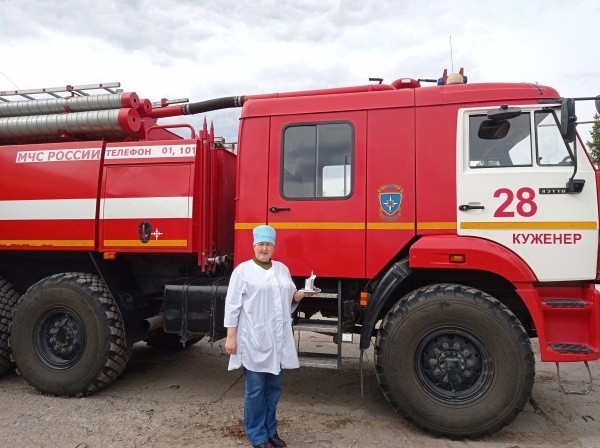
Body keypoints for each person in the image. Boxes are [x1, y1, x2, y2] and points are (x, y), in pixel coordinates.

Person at [224, 225, 314, 448]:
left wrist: (302, 294)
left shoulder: (282, 269)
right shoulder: (243, 271)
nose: (264, 248)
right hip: (253, 339)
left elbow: (289, 297)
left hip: (277, 339)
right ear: (254, 246)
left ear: (274, 246)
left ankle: (270, 431)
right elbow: (232, 305)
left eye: (268, 244)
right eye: (261, 244)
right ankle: (257, 435)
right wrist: (231, 337)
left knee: (273, 389)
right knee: (255, 390)